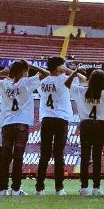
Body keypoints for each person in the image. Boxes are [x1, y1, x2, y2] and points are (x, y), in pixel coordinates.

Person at [0, 60, 49, 196]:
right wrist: (33, 66)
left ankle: (2, 189)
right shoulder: (27, 82)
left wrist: (3, 72)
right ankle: (15, 189)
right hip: (21, 124)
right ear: (23, 71)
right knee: (18, 158)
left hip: (7, 124)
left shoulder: (5, 84)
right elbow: (46, 74)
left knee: (5, 158)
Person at [69, 67, 104, 196]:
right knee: (97, 157)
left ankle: (84, 187)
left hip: (85, 124)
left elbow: (67, 84)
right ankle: (96, 187)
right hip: (100, 125)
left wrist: (75, 72)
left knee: (85, 157)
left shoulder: (82, 91)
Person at [36, 56, 79, 196]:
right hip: (61, 118)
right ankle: (59, 188)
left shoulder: (42, 81)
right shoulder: (64, 78)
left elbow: (47, 75)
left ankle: (39, 187)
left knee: (44, 154)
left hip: (47, 118)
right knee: (59, 154)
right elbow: (82, 78)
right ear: (59, 67)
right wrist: (66, 69)